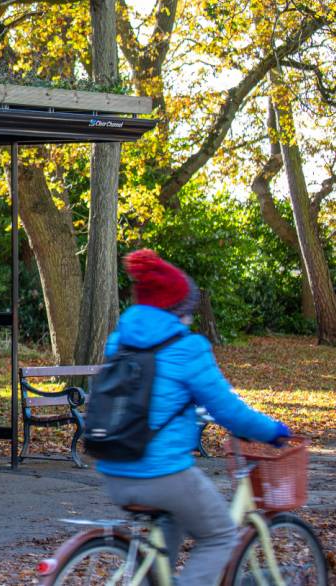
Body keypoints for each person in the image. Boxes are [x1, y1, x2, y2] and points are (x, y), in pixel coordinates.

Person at [97, 249, 290, 586]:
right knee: (220, 535)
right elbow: (228, 410)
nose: (190, 318)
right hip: (162, 473)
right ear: (178, 310)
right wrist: (271, 430)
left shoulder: (120, 342)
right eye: (188, 310)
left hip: (114, 470)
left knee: (171, 524)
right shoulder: (186, 348)